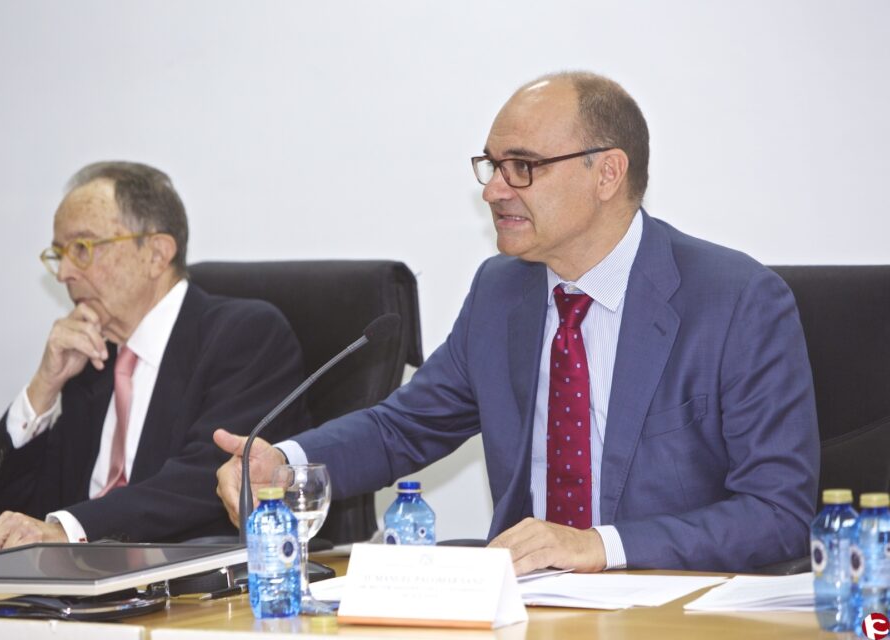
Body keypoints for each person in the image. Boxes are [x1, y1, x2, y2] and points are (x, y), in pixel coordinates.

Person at [214, 71, 820, 574]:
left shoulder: (736, 301)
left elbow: (777, 513)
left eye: (522, 166)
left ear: (607, 173)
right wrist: (287, 464)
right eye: (492, 165)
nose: (495, 191)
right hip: (523, 603)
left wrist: (597, 545)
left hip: (676, 608)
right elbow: (403, 427)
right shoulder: (501, 292)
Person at [0, 161, 307, 553]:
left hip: (182, 588)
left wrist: (70, 529)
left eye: (82, 248)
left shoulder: (244, 335)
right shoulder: (90, 360)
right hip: (75, 589)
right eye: (58, 254)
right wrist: (44, 387)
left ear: (156, 255)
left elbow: (206, 480)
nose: (63, 274)